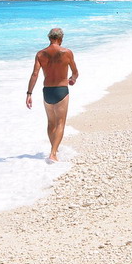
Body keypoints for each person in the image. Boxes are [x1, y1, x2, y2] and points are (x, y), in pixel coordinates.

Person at [26, 27, 79, 163]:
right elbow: (75, 72)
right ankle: (53, 153)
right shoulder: (67, 52)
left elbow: (35, 74)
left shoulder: (40, 54)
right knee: (61, 122)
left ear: (49, 38)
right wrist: (72, 79)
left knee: (51, 122)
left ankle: (53, 148)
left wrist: (29, 93)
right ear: (60, 39)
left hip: (47, 91)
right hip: (61, 90)